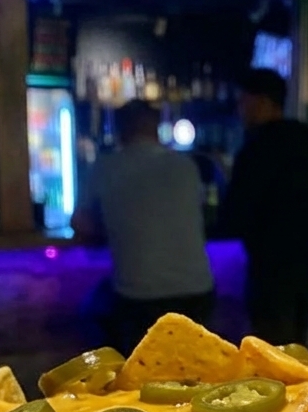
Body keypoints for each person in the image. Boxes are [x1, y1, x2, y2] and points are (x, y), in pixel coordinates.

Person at [71, 99, 213, 354]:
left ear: (119, 129)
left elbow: (80, 223)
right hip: (198, 293)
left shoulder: (105, 167)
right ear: (157, 127)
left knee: (90, 315)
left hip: (138, 298)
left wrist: (115, 228)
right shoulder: (186, 166)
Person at [221, 68, 308, 346]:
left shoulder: (256, 148)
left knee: (272, 348)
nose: (240, 109)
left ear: (262, 102)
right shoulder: (307, 141)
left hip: (271, 265)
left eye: (244, 101)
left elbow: (236, 212)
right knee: (298, 343)